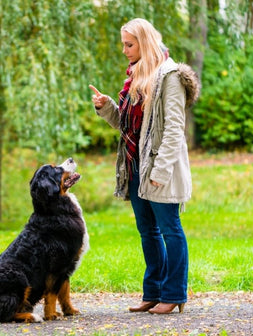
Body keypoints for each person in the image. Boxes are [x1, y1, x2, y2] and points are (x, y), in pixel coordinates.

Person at [89, 18, 200, 314]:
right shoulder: (136, 77)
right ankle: (153, 292)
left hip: (160, 169)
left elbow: (175, 128)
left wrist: (160, 171)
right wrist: (107, 107)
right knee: (147, 231)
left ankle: (175, 293)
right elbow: (128, 127)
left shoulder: (170, 76)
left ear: (145, 42)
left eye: (129, 44)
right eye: (123, 44)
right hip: (135, 166)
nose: (125, 50)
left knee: (170, 229)